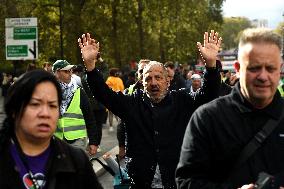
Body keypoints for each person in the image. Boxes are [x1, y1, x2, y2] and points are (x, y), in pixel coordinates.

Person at [78, 31, 222, 188]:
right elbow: (103, 94)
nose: (154, 83)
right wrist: (91, 67)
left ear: (168, 81)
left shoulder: (182, 100)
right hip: (140, 182)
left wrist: (211, 65)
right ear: (142, 82)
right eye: (148, 78)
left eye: (158, 77)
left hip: (177, 181)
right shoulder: (132, 102)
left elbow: (208, 95)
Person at [176, 28, 284, 189]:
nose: (263, 76)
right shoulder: (207, 118)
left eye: (270, 68)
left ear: (280, 69)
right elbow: (186, 182)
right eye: (254, 68)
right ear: (238, 68)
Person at [0, 70, 103, 189]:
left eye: (52, 105)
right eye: (35, 104)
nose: (45, 113)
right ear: (14, 110)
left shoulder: (77, 160)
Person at [52, 60, 99, 155]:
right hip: (55, 141)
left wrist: (93, 142)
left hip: (77, 141)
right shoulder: (49, 92)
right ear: (57, 73)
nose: (70, 73)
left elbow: (90, 118)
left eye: (71, 71)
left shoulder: (79, 91)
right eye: (66, 71)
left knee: (78, 169)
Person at [105, 67, 125, 132]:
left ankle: (111, 126)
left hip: (110, 99)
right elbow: (122, 89)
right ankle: (121, 125)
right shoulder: (119, 79)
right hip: (118, 98)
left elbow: (106, 88)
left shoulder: (109, 79)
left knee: (110, 114)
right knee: (118, 113)